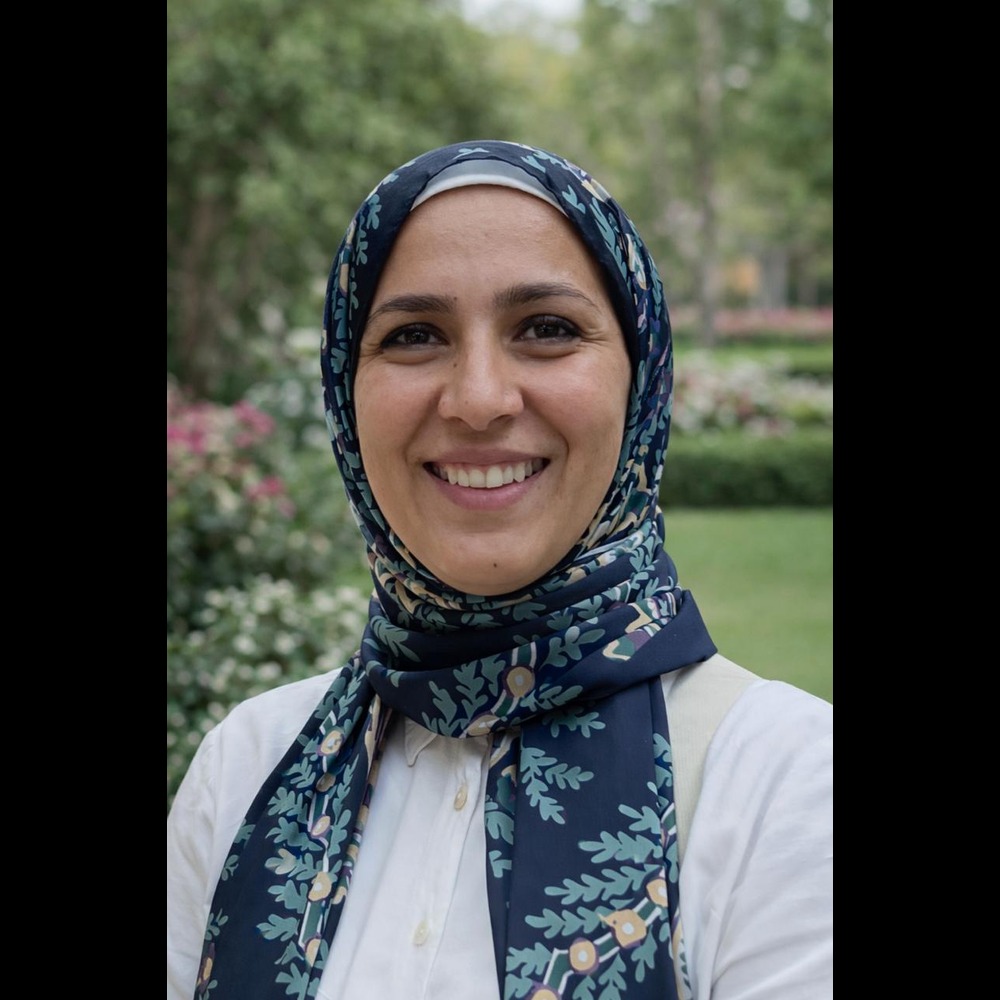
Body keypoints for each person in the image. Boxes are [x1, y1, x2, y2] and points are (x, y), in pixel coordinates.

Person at [166, 140, 832, 1000]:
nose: (479, 398)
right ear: (345, 390)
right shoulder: (245, 771)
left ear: (641, 377)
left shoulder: (786, 785)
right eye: (414, 336)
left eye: (547, 329)